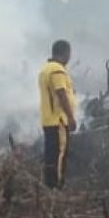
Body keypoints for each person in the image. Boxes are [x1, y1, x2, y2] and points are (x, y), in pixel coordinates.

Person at [38, 40, 77, 189]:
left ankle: (48, 185)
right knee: (59, 155)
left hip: (48, 120)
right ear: (65, 53)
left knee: (50, 154)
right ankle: (56, 187)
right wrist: (71, 117)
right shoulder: (57, 70)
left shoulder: (45, 69)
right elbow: (61, 94)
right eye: (69, 54)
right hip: (58, 120)